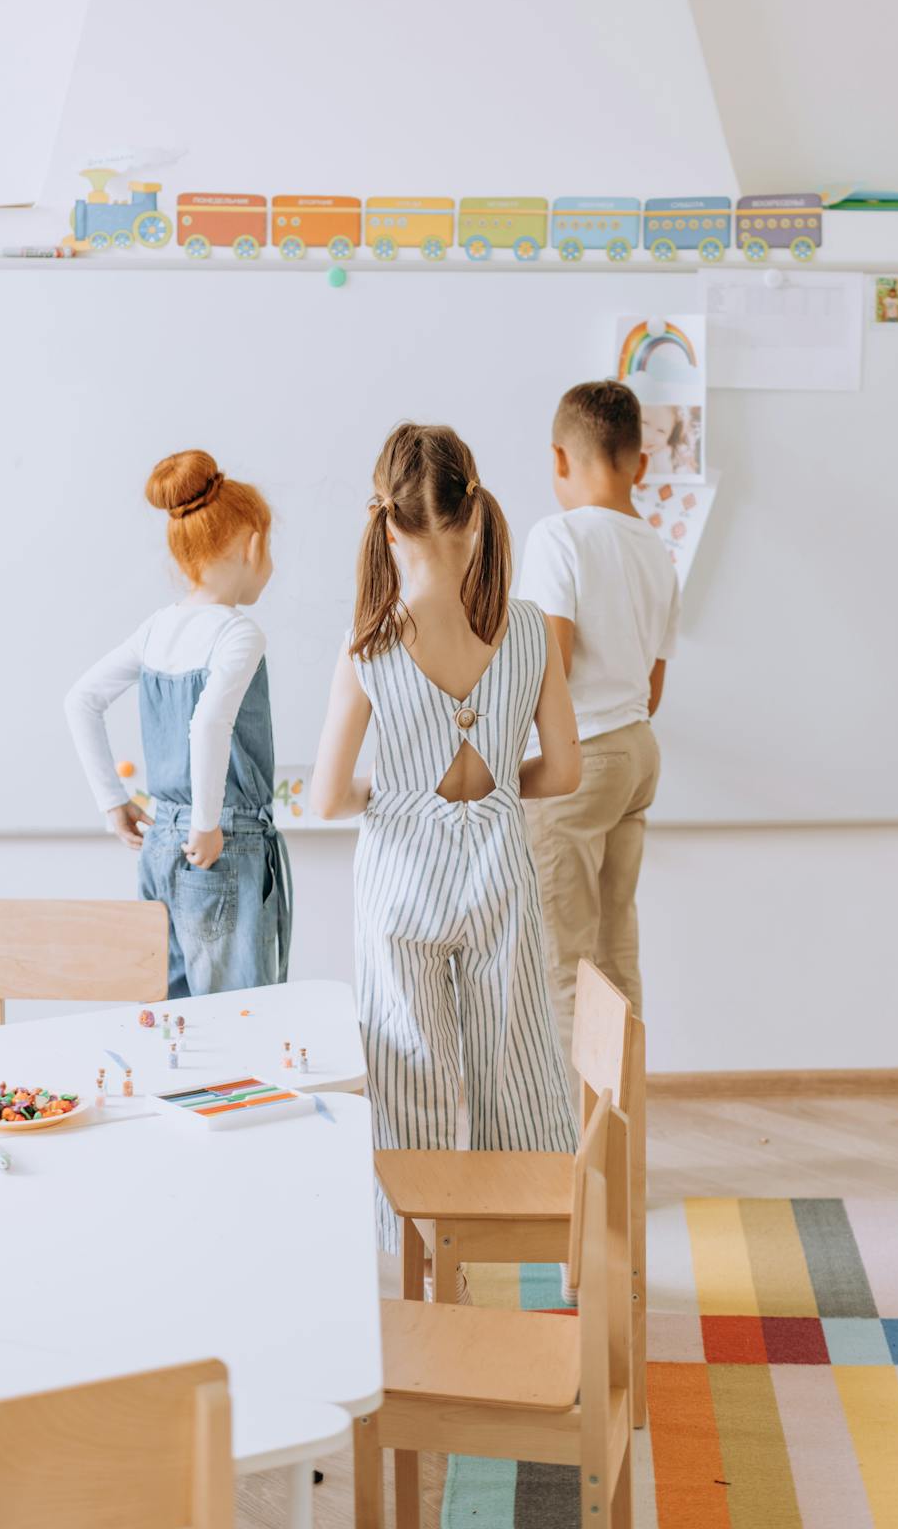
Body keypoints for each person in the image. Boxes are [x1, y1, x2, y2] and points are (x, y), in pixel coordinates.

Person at [310, 422, 579, 1252]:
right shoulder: (530, 629)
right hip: (498, 877)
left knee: (406, 1075)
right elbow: (562, 772)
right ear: (473, 517)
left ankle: (413, 1257)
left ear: (388, 525)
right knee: (518, 1063)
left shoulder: (369, 646)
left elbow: (326, 798)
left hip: (400, 884)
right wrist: (494, 789)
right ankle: (537, 1239)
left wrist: (394, 795)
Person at [64, 450, 290, 999]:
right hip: (222, 844)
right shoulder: (238, 633)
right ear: (252, 545)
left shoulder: (157, 629)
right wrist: (208, 823)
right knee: (240, 1018)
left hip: (160, 844)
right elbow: (208, 723)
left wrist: (112, 801)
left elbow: (81, 699)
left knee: (172, 1016)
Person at [520, 381, 679, 1099]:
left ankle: (570, 1158)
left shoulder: (558, 536)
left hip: (579, 761)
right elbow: (652, 685)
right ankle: (619, 1141)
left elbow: (547, 661)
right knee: (615, 952)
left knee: (564, 960)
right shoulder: (657, 548)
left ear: (560, 457)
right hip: (636, 754)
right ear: (639, 465)